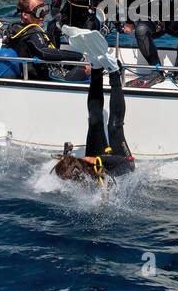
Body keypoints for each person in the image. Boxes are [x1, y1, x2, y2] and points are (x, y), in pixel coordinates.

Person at [52, 40, 135, 185]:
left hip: (122, 163)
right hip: (120, 168)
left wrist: (99, 160)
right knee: (112, 127)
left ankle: (97, 68)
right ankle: (113, 73)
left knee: (98, 122)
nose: (70, 183)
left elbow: (123, 161)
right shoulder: (83, 182)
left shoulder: (86, 166)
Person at [3, 0, 88, 81]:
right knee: (88, 68)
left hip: (31, 75)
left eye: (44, 10)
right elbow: (44, 52)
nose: (43, 16)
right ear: (25, 15)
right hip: (41, 79)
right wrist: (79, 56)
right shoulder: (31, 33)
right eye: (39, 12)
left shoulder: (16, 29)